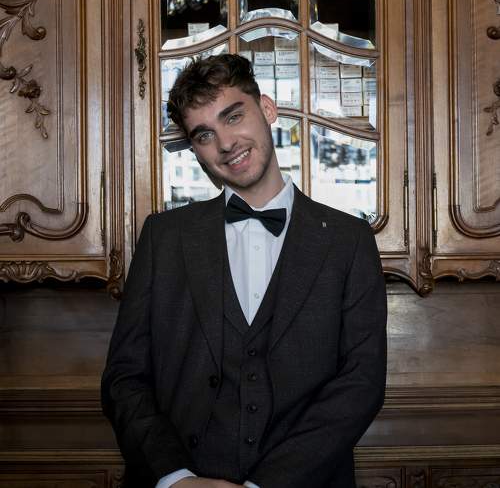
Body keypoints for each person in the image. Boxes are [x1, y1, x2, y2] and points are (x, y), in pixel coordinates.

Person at [101, 54, 387, 488]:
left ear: (267, 109)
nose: (226, 143)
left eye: (233, 116)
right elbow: (125, 378)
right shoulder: (164, 237)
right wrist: (175, 478)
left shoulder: (349, 240)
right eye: (204, 135)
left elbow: (361, 383)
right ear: (195, 149)